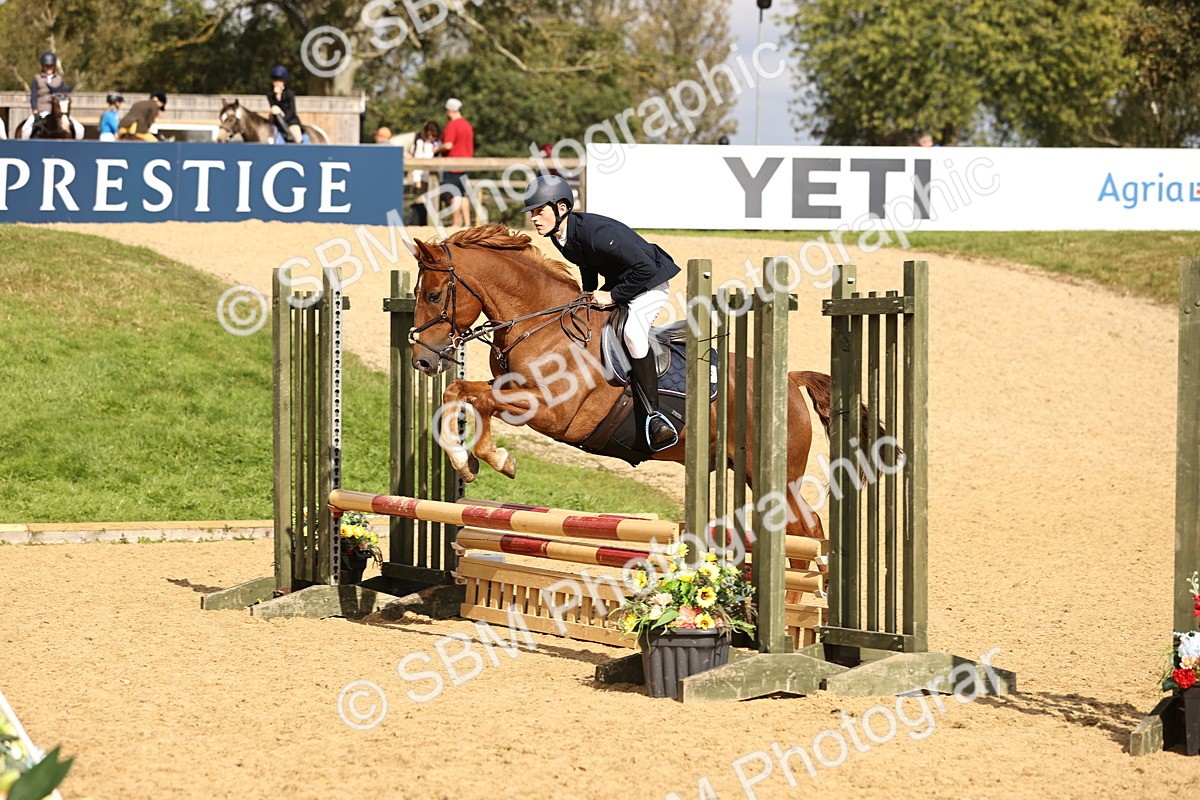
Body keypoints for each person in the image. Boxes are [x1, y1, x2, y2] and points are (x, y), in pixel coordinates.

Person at [522, 174, 680, 452]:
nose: (534, 218)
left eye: (539, 211)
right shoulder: (560, 235)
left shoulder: (596, 231)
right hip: (622, 280)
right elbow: (587, 262)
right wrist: (587, 292)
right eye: (532, 213)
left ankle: (654, 415)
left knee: (632, 333)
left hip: (649, 283)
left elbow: (645, 268)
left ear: (561, 208)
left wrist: (612, 296)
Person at [20, 51, 83, 139]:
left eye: (51, 66)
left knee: (80, 129)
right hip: (41, 111)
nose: (48, 68)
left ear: (54, 66)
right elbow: (33, 96)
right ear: (43, 66)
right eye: (46, 66)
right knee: (25, 129)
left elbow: (63, 95)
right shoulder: (37, 78)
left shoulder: (59, 79)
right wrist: (35, 109)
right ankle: (24, 148)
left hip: (58, 112)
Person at [437, 98, 474, 227]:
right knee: (463, 194)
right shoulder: (467, 125)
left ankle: (456, 223)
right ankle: (468, 223)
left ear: (450, 110)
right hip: (466, 165)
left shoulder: (452, 125)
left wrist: (436, 149)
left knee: (454, 193)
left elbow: (448, 145)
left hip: (453, 165)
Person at [409, 120, 441, 226]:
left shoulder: (439, 143)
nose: (432, 136)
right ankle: (421, 222)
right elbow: (417, 161)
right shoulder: (421, 143)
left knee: (434, 200)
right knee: (422, 199)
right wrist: (416, 179)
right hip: (423, 176)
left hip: (436, 177)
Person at [267, 65, 303, 144]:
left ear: (284, 82)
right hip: (276, 122)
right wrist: (277, 97)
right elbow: (273, 107)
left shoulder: (290, 93)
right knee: (274, 109)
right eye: (275, 81)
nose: (277, 83)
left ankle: (290, 137)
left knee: (298, 138)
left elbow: (292, 111)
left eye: (279, 81)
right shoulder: (270, 94)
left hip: (290, 121)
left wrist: (284, 118)